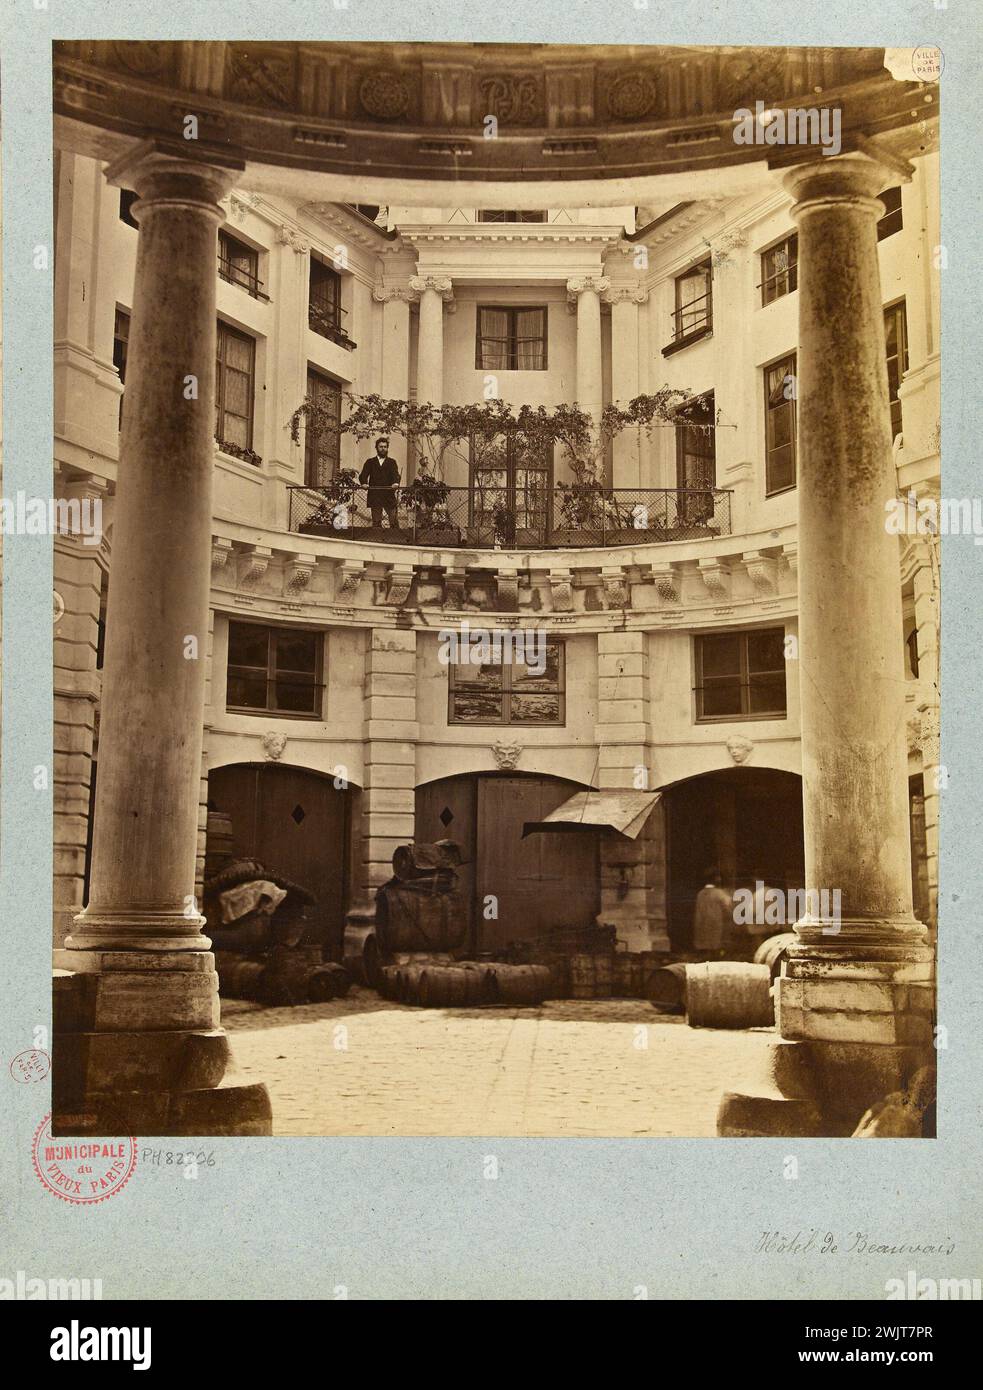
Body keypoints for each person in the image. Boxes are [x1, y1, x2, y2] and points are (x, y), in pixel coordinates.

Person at [359, 436, 401, 529]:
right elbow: (363, 475)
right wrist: (364, 483)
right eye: (381, 447)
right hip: (375, 494)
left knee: (393, 520)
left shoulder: (392, 462)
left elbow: (395, 475)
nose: (383, 449)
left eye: (385, 447)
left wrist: (396, 483)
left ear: (387, 448)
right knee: (376, 522)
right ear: (376, 448)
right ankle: (377, 539)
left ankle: (395, 539)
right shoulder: (370, 462)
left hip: (388, 494)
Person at [692, 870, 733, 956]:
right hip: (717, 922)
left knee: (705, 943)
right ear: (716, 879)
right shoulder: (720, 893)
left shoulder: (700, 893)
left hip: (702, 922)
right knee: (716, 944)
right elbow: (728, 908)